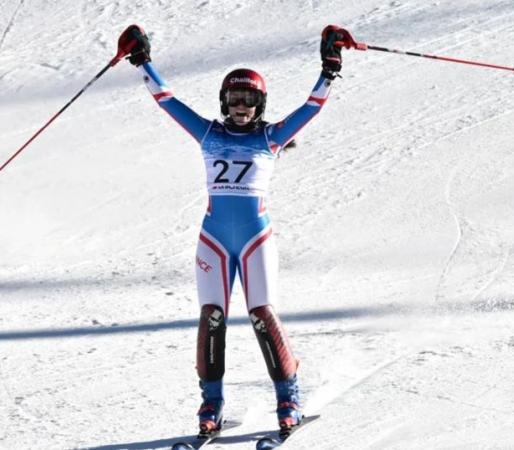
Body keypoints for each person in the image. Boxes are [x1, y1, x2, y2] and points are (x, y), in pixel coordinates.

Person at [117, 24, 344, 436]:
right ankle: (212, 404)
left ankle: (288, 398)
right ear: (224, 101)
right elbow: (167, 101)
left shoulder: (271, 137)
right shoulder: (208, 134)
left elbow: (311, 107)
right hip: (214, 242)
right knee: (213, 318)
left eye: (249, 100)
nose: (241, 106)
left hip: (256, 240)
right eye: (235, 99)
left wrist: (329, 70)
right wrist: (142, 61)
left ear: (260, 104)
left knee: (263, 315)